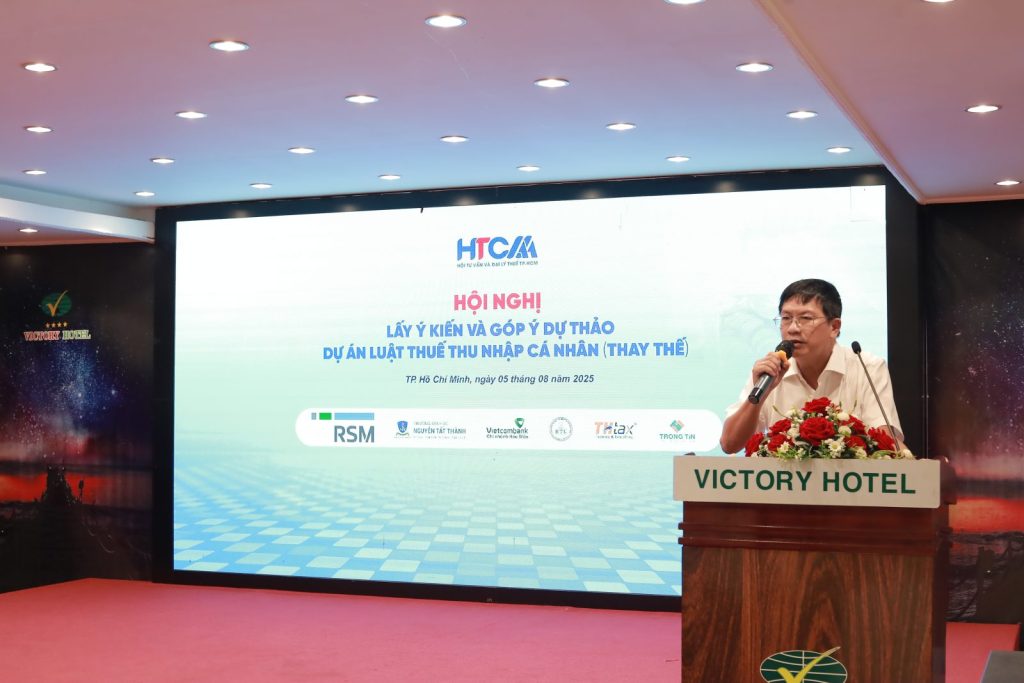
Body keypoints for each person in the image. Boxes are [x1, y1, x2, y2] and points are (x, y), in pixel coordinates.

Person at [719, 278, 903, 454]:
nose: (792, 328)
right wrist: (760, 396)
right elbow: (729, 444)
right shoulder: (769, 371)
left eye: (806, 318)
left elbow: (887, 443)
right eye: (786, 318)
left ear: (834, 327)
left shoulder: (867, 367)